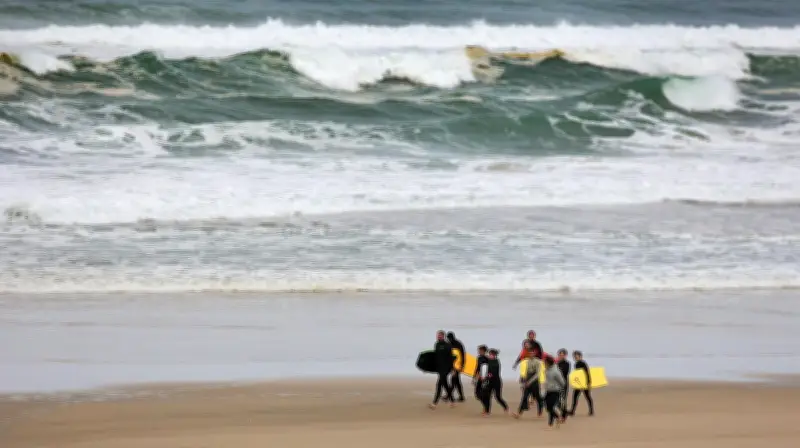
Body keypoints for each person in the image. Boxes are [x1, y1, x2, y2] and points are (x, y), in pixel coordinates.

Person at [511, 351, 542, 418]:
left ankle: (540, 412)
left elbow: (537, 374)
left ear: (535, 354)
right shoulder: (527, 361)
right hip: (528, 380)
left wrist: (529, 382)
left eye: (532, 353)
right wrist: (523, 379)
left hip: (535, 382)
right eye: (530, 353)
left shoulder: (538, 362)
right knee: (524, 397)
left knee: (538, 398)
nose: (531, 354)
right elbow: (527, 372)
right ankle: (519, 413)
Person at [429, 330, 455, 409]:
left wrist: (452, 369)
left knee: (439, 384)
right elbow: (435, 356)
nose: (438, 337)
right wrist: (432, 367)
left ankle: (434, 403)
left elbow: (451, 358)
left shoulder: (447, 345)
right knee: (445, 384)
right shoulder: (436, 344)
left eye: (440, 336)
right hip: (440, 368)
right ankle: (452, 401)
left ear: (443, 336)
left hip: (446, 368)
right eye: (437, 335)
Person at [479, 348, 509, 416]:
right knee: (487, 396)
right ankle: (487, 411)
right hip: (489, 382)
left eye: (491, 355)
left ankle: (505, 407)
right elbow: (482, 362)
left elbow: (492, 373)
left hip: (496, 382)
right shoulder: (488, 360)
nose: (489, 355)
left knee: (498, 397)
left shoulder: (496, 362)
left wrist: (485, 377)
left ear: (494, 355)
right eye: (489, 354)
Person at [568, 350, 594, 416]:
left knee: (587, 397)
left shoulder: (583, 363)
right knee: (575, 397)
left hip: (584, 383)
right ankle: (572, 411)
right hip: (579, 383)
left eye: (576, 356)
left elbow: (587, 373)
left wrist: (588, 382)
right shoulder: (576, 364)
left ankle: (591, 411)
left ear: (580, 356)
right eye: (574, 357)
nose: (575, 358)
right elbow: (577, 374)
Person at [543, 356, 566, 427]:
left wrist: (557, 387)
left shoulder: (556, 371)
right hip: (548, 390)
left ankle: (554, 420)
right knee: (547, 407)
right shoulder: (547, 370)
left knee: (551, 407)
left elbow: (563, 382)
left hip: (555, 391)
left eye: (545, 362)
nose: (544, 363)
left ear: (548, 363)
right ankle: (557, 419)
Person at [446, 332, 466, 402]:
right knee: (457, 382)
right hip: (453, 365)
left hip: (458, 365)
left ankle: (448, 395)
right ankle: (461, 397)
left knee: (453, 380)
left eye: (449, 338)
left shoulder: (458, 344)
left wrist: (462, 365)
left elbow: (463, 355)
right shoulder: (449, 344)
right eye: (448, 338)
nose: (449, 339)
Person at [556, 349, 571, 417]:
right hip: (556, 383)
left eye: (563, 355)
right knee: (556, 399)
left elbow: (566, 372)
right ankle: (564, 411)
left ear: (565, 355)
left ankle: (564, 414)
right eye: (560, 355)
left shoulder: (567, 363)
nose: (561, 356)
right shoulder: (556, 363)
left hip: (564, 383)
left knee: (563, 398)